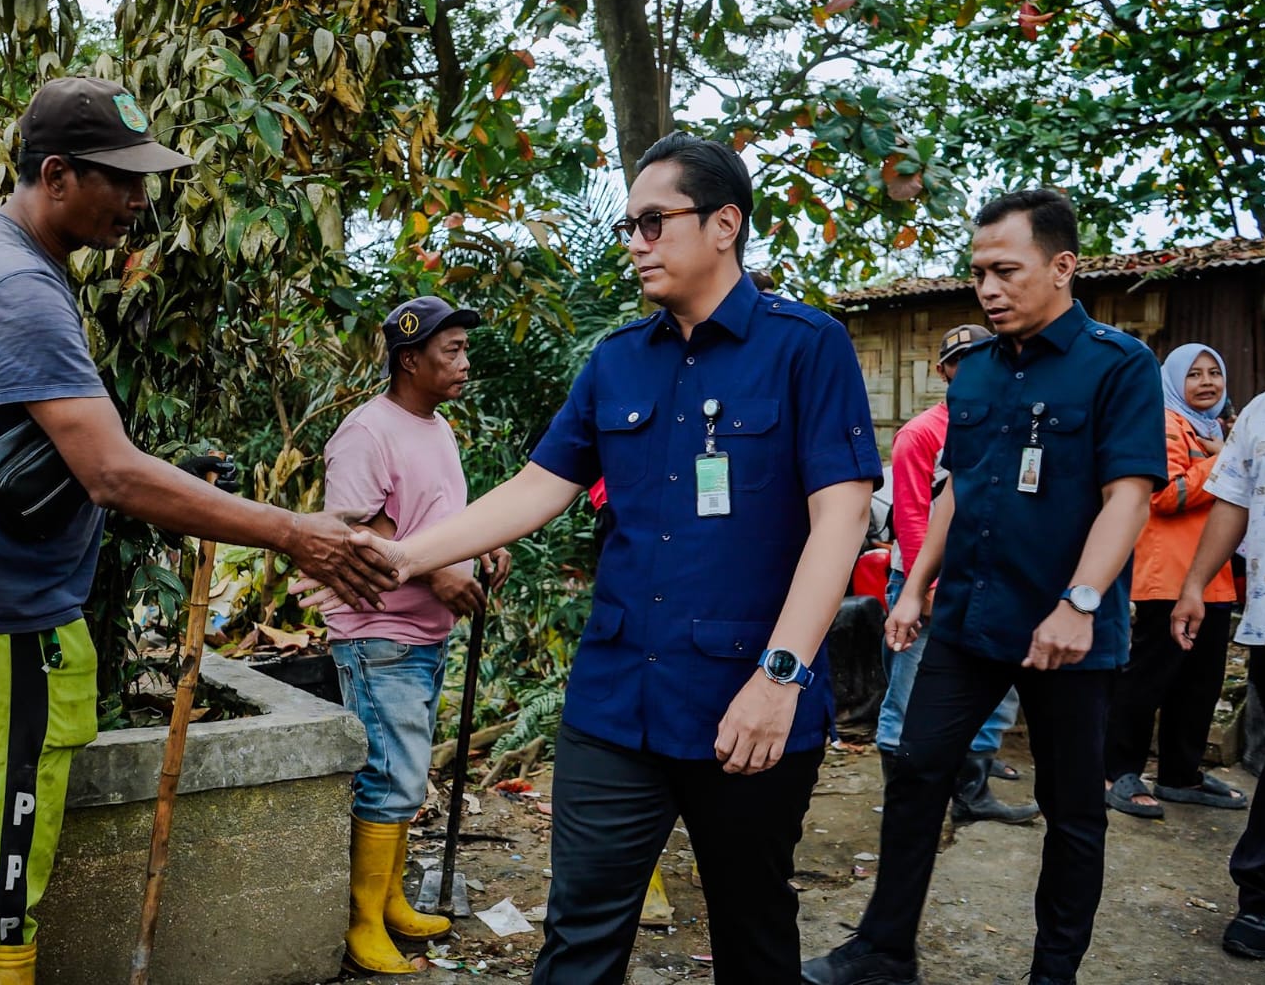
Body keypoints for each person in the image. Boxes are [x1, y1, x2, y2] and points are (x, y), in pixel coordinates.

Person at [305, 131, 882, 983]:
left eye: (655, 222)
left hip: (748, 700)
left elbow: (842, 516)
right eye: (629, 227)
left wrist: (781, 677)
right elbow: (538, 488)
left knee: (754, 932)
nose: (637, 243)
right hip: (616, 700)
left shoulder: (805, 348)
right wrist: (396, 558)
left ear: (725, 224)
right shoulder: (617, 361)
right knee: (577, 939)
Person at [0, 76, 396, 985]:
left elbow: (78, 449)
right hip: (3, 608)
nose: (141, 201)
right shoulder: (19, 289)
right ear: (60, 175)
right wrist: (290, 531)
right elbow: (109, 471)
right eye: (124, 179)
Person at [802, 189, 1165, 985]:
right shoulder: (975, 377)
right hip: (969, 619)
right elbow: (956, 489)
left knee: (1072, 812)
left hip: (1068, 634)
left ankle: (1053, 971)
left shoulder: (1118, 366)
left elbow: (1129, 496)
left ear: (1063, 265)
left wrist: (1081, 602)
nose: (988, 288)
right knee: (916, 769)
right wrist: (913, 586)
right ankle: (884, 948)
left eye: (1006, 270)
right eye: (978, 273)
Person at [322, 296, 511, 974]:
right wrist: (437, 578)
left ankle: (391, 902)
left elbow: (435, 523)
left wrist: (481, 551)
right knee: (388, 782)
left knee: (402, 778)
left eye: (464, 348)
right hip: (377, 632)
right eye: (451, 350)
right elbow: (354, 528)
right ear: (409, 360)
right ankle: (361, 923)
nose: (465, 361)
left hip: (419, 636)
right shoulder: (366, 432)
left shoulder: (438, 428)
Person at [879, 322, 1037, 825]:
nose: (971, 370)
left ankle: (972, 793)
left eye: (982, 358)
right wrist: (924, 587)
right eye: (959, 361)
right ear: (944, 371)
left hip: (992, 580)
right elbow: (910, 515)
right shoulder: (920, 434)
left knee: (996, 690)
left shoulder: (1007, 424)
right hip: (926, 582)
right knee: (910, 689)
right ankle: (907, 803)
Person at [1105, 343, 1245, 818]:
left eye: (1214, 373)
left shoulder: (1214, 430)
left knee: (1200, 682)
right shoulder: (1163, 422)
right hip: (1168, 575)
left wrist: (1224, 451)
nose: (1206, 382)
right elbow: (1166, 494)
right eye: (1194, 375)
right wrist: (1226, 460)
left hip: (1212, 577)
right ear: (1173, 381)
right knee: (1149, 677)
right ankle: (1116, 771)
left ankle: (1179, 775)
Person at [1174, 383, 1265, 959]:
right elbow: (1232, 501)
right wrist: (1194, 585)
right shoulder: (1264, 410)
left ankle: (1263, 890)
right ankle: (1263, 897)